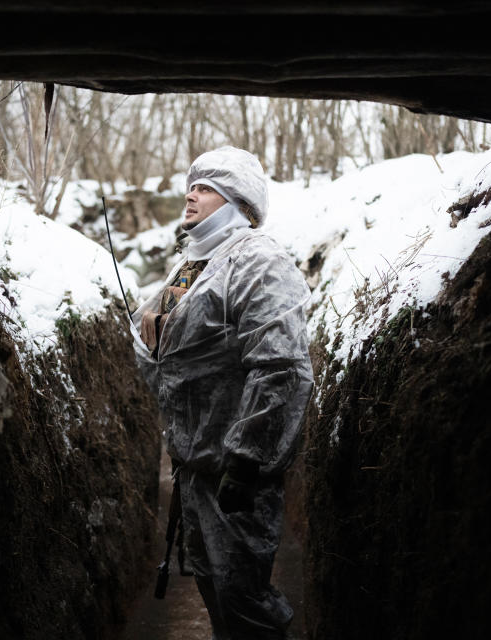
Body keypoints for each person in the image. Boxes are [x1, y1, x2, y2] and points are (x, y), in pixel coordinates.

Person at [131, 145, 314, 639]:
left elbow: (282, 366)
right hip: (195, 468)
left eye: (206, 187)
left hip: (236, 473)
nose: (190, 194)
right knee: (214, 590)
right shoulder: (189, 267)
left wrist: (248, 457)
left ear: (239, 202)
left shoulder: (257, 261)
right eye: (191, 184)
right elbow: (169, 362)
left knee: (244, 600)